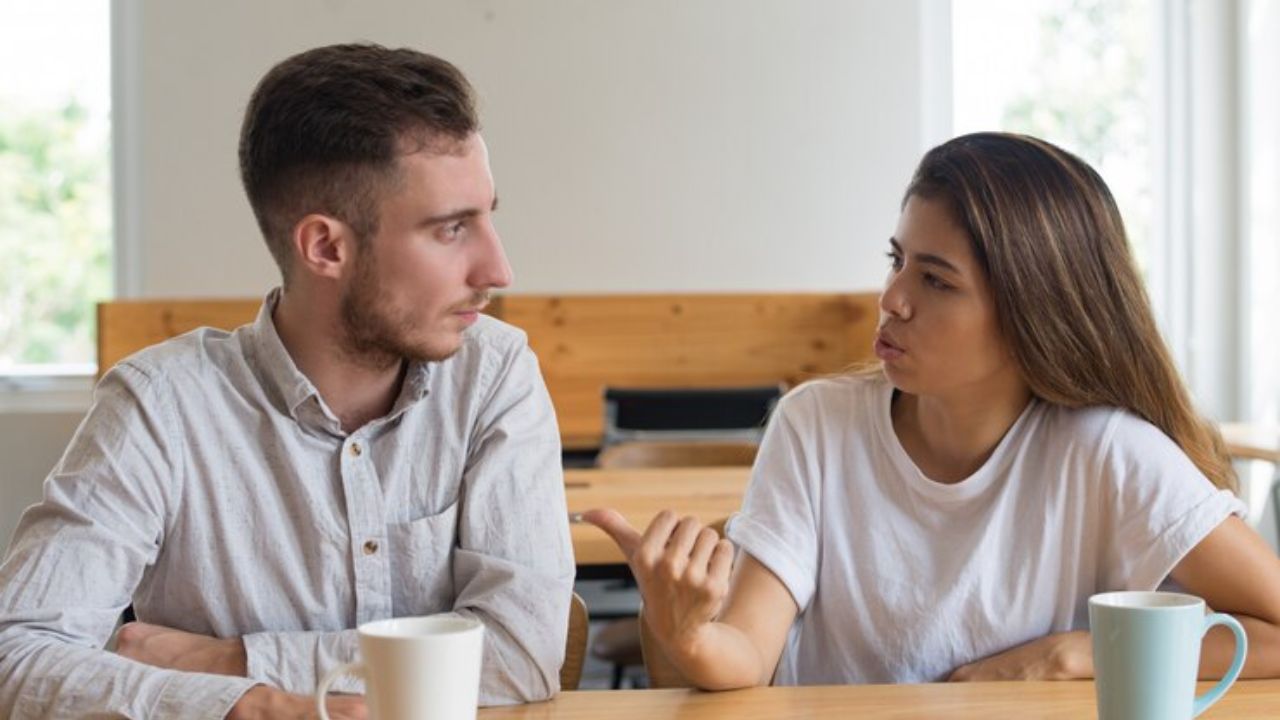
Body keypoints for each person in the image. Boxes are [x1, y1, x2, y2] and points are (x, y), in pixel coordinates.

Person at [0, 43, 573, 718]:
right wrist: (260, 708)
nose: (498, 269)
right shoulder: (160, 404)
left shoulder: (494, 374)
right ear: (326, 247)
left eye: (487, 217)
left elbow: (523, 652)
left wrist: (232, 662)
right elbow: (19, 655)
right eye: (451, 229)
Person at [587, 132, 1280, 689]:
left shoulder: (1109, 454)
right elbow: (746, 654)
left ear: (1033, 313)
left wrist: (1083, 652)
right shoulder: (816, 424)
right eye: (897, 260)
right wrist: (692, 634)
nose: (892, 298)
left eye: (936, 280)